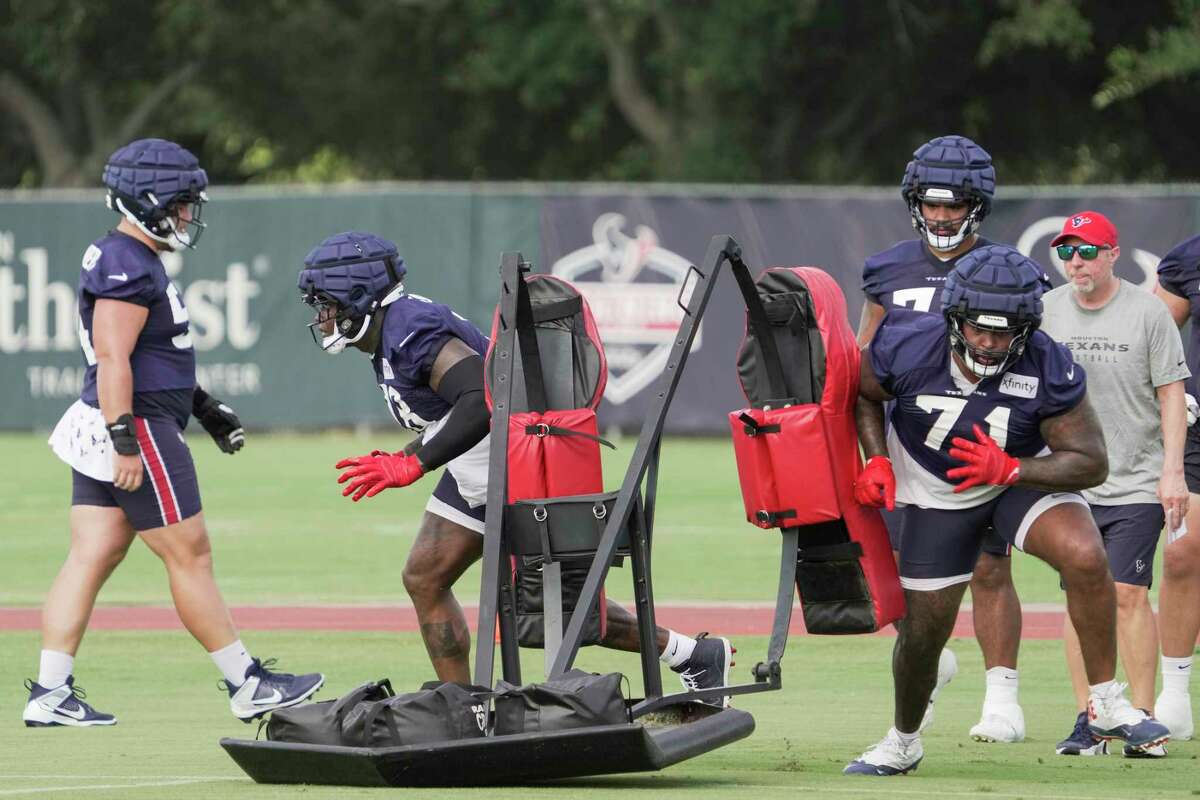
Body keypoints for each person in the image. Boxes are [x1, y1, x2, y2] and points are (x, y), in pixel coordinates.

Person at [296, 230, 732, 697]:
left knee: (559, 609)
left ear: (359, 296)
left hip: (514, 467)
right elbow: (452, 409)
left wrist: (415, 465)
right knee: (425, 576)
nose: (323, 317)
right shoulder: (393, 331)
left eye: (327, 304)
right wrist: (406, 453)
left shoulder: (410, 331)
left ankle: (695, 656)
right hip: (477, 468)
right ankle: (461, 704)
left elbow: (483, 402)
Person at [25, 139, 324, 728]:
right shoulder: (127, 262)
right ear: (151, 200)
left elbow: (153, 356)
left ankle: (50, 692)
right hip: (134, 425)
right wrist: (124, 438)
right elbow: (114, 358)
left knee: (92, 553)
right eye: (183, 203)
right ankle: (247, 683)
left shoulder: (132, 256)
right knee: (191, 555)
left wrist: (204, 407)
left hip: (122, 417)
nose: (189, 214)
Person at [845, 244, 1170, 775]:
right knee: (923, 634)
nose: (991, 344)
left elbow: (1090, 462)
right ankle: (903, 741)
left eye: (1004, 333)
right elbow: (862, 393)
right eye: (979, 330)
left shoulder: (1046, 359)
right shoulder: (905, 343)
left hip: (1017, 478)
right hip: (936, 490)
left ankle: (1107, 700)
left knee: (1086, 554)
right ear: (954, 318)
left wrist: (1013, 470)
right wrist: (877, 459)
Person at [856, 134, 1026, 743]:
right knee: (907, 578)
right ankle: (928, 670)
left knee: (987, 567)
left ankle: (1002, 695)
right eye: (932, 203)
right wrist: (870, 452)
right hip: (908, 443)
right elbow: (863, 363)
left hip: (985, 432)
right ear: (914, 201)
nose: (942, 216)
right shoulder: (887, 268)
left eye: (955, 204)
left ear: (976, 205)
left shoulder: (1004, 270)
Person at [1040, 211, 1188, 758]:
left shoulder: (1149, 313)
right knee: (1082, 598)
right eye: (1066, 252)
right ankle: (1090, 719)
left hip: (1134, 479)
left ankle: (1143, 721)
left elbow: (1171, 392)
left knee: (1127, 594)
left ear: (1112, 255)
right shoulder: (1046, 311)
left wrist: (1171, 471)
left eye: (1086, 251)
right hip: (1069, 481)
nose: (1075, 262)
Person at [1152, 232, 1200, 742]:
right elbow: (1151, 336)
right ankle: (1176, 694)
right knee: (1184, 553)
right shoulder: (1189, 256)